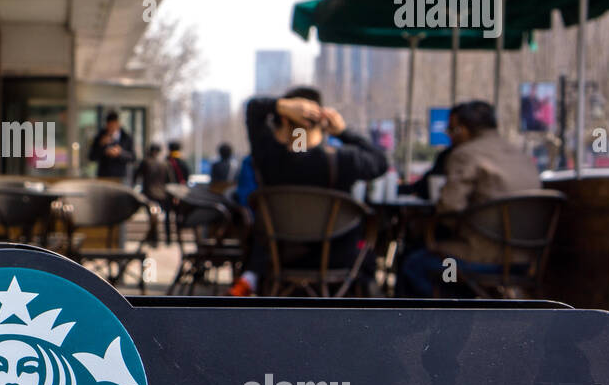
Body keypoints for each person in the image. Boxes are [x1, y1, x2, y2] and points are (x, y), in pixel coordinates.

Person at [228, 87, 388, 296]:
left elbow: (253, 109)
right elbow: (381, 161)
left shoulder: (268, 158)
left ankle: (250, 280)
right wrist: (343, 132)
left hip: (279, 257)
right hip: (335, 259)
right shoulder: (344, 160)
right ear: (323, 120)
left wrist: (281, 106)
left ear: (284, 119)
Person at [398, 100, 540, 297]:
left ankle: (438, 323)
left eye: (451, 129)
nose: (449, 135)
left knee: (413, 264)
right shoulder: (522, 156)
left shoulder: (464, 155)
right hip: (527, 259)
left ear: (463, 130)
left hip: (482, 259)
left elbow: (448, 209)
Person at [134, 143, 172, 243]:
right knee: (154, 215)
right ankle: (156, 238)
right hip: (162, 195)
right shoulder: (165, 163)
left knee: (153, 216)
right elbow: (170, 180)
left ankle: (153, 238)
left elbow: (136, 176)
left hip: (149, 194)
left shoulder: (145, 162)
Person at [89, 110, 136, 182]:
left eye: (114, 125)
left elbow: (133, 157)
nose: (112, 128)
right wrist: (101, 146)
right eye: (110, 126)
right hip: (104, 176)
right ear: (107, 125)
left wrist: (120, 153)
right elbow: (91, 157)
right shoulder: (100, 137)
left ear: (118, 124)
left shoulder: (126, 137)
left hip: (120, 176)